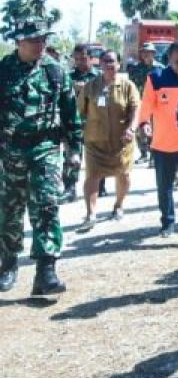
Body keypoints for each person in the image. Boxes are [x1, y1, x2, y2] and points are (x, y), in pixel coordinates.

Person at [0, 19, 83, 296]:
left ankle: (46, 271)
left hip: (46, 148)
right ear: (19, 42)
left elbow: (71, 116)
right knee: (9, 212)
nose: (40, 45)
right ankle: (8, 262)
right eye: (34, 40)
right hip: (10, 151)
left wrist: (74, 153)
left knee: (46, 206)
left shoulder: (55, 72)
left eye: (43, 39)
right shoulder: (3, 71)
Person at [137, 40, 178, 248]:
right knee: (164, 187)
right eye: (177, 62)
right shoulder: (156, 78)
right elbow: (146, 104)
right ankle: (167, 222)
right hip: (162, 144)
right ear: (169, 60)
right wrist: (144, 122)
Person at [76, 50, 140, 231]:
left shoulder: (128, 86)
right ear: (100, 64)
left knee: (124, 174)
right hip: (95, 141)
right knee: (92, 176)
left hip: (122, 141)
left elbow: (136, 109)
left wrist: (131, 128)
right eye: (105, 61)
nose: (109, 64)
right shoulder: (90, 86)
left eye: (112, 61)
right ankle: (90, 214)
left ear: (119, 64)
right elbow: (80, 110)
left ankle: (118, 206)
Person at [68, 44, 102, 199]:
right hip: (74, 122)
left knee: (97, 155)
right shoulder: (68, 77)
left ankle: (99, 186)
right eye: (76, 59)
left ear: (90, 58)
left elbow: (105, 99)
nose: (80, 62)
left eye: (83, 58)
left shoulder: (99, 77)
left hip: (95, 122)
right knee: (72, 154)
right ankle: (70, 187)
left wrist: (88, 90)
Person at [126, 42, 163, 166]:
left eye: (149, 52)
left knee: (155, 129)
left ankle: (153, 156)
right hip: (140, 102)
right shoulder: (136, 68)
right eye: (144, 52)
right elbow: (131, 85)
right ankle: (143, 154)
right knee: (139, 130)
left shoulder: (161, 69)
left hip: (156, 104)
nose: (146, 55)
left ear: (154, 54)